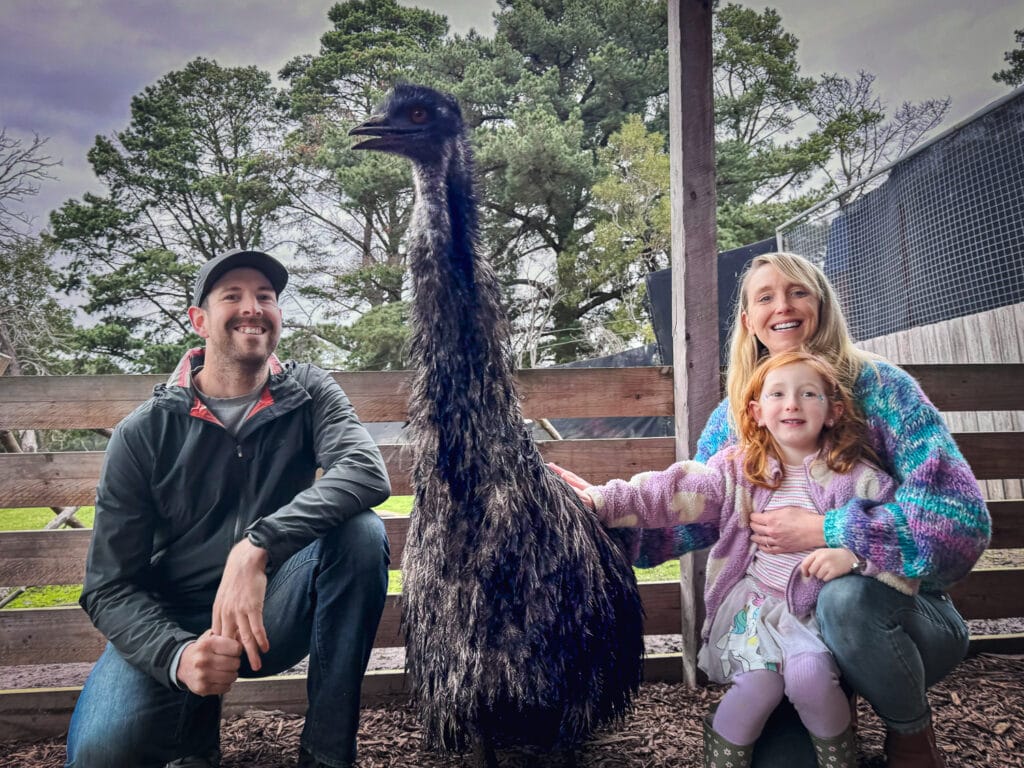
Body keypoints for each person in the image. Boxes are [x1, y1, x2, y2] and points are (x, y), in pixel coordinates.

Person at [568, 252, 989, 767]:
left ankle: (910, 735)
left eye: (798, 292)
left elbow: (957, 524)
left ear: (822, 305)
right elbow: (696, 507)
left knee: (845, 603)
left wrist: (828, 529)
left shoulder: (884, 389)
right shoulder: (736, 418)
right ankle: (834, 724)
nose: (782, 307)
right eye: (764, 297)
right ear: (749, 321)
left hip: (899, 616)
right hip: (786, 627)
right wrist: (596, 514)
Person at [65, 249, 392, 768]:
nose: (253, 307)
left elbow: (366, 471)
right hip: (174, 619)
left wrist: (258, 544)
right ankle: (192, 735)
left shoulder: (309, 391)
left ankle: (327, 756)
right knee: (100, 755)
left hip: (270, 611)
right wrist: (175, 656)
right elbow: (107, 586)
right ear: (199, 320)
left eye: (266, 297)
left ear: (279, 316)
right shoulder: (143, 433)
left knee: (360, 533)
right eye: (232, 296)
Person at [553, 351, 917, 767]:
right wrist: (603, 500)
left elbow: (901, 533)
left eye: (808, 393)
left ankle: (840, 760)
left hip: (812, 614)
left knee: (810, 680)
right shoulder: (742, 469)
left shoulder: (857, 476)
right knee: (758, 686)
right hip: (755, 607)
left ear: (833, 412)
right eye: (777, 393)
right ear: (757, 411)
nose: (792, 403)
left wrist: (852, 557)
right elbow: (674, 491)